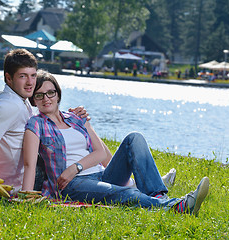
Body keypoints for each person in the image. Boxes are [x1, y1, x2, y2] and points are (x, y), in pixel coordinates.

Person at [22, 70, 210, 215]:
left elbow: (100, 153)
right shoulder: (36, 124)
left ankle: (158, 196)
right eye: (39, 95)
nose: (46, 98)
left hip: (100, 174)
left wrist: (75, 167)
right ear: (33, 100)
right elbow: (29, 164)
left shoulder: (75, 118)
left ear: (58, 94)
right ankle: (178, 206)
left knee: (134, 138)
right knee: (123, 194)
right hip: (72, 185)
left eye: (50, 93)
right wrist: (26, 197)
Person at [0, 49, 87, 190]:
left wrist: (71, 116)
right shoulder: (9, 105)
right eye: (23, 76)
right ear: (9, 78)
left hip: (32, 176)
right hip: (20, 185)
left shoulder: (17, 99)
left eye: (33, 75)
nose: (30, 83)